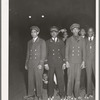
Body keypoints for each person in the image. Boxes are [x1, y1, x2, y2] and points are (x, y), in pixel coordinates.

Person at [24, 26, 46, 100]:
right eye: (32, 32)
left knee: (38, 80)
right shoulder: (29, 42)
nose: (33, 33)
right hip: (30, 63)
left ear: (38, 32)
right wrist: (26, 63)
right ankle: (31, 95)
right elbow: (28, 54)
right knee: (30, 80)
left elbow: (43, 54)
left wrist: (41, 63)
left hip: (38, 64)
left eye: (34, 32)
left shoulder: (42, 41)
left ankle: (39, 95)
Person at [65, 23, 86, 100]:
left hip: (79, 61)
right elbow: (66, 51)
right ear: (71, 31)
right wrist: (66, 61)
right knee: (70, 79)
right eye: (73, 29)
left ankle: (77, 95)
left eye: (77, 29)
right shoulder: (68, 40)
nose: (75, 30)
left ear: (79, 30)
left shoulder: (82, 40)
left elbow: (84, 51)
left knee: (77, 80)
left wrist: (84, 61)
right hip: (70, 61)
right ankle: (69, 94)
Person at [45, 26, 65, 100]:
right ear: (50, 33)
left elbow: (63, 53)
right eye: (52, 32)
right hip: (50, 64)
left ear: (57, 33)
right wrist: (45, 63)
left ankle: (62, 95)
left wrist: (64, 63)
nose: (53, 33)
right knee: (50, 79)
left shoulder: (61, 42)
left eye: (55, 32)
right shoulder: (47, 42)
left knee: (61, 79)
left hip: (59, 63)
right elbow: (45, 53)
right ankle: (50, 95)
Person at [85, 28, 95, 99]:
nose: (90, 32)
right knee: (88, 77)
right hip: (88, 61)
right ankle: (89, 93)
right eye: (89, 31)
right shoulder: (85, 40)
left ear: (93, 32)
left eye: (91, 31)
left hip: (96, 61)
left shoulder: (97, 39)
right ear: (87, 32)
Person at [79, 28, 87, 96]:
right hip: (78, 59)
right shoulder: (78, 39)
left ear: (85, 32)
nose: (82, 32)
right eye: (81, 31)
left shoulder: (87, 39)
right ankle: (80, 86)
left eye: (83, 31)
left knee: (85, 73)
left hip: (86, 59)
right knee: (80, 73)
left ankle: (84, 86)